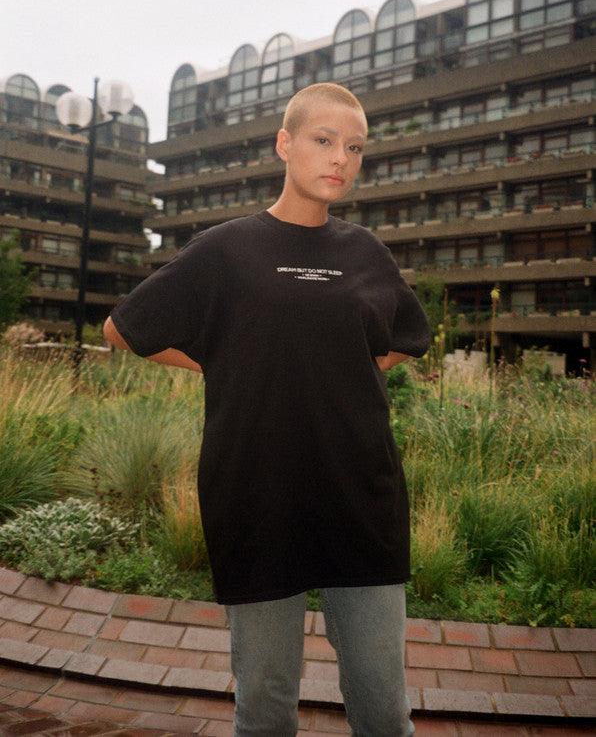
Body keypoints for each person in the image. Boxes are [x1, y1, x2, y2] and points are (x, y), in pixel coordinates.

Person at [103, 82, 431, 736]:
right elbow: (124, 329)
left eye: (355, 148)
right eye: (323, 140)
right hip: (256, 500)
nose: (340, 158)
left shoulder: (365, 253)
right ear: (285, 144)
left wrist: (331, 369)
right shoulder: (225, 250)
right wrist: (223, 361)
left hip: (360, 501)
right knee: (266, 708)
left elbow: (402, 341)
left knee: (384, 712)